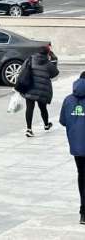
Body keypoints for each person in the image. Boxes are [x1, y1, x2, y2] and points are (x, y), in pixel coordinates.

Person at [60, 72, 85, 225]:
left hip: (77, 148)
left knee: (82, 177)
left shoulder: (68, 100)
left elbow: (63, 121)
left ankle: (83, 213)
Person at [21, 46, 60, 137]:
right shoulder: (47, 63)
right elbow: (55, 73)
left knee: (29, 108)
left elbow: (23, 69)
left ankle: (29, 129)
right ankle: (46, 125)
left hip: (30, 87)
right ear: (47, 53)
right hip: (42, 89)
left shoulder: (30, 59)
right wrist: (53, 57)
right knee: (43, 108)